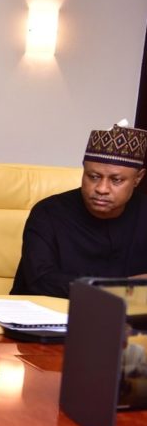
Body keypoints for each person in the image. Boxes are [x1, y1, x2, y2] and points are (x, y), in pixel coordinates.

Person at [11, 122, 147, 298]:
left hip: (126, 320)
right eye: (94, 177)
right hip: (46, 316)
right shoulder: (48, 213)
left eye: (116, 180)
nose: (102, 188)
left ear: (138, 178)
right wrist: (123, 288)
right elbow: (41, 280)